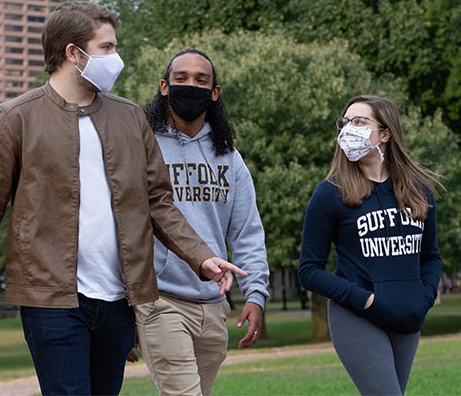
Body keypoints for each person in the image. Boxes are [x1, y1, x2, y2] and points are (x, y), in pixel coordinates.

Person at [0, 2, 245, 396]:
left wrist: (201, 256)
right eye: (106, 48)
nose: (115, 58)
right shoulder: (15, 118)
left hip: (120, 299)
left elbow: (158, 202)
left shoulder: (129, 118)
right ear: (73, 53)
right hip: (51, 300)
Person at [133, 48, 271, 396]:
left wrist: (255, 294)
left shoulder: (229, 157)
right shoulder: (142, 145)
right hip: (159, 299)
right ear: (164, 86)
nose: (190, 85)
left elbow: (246, 232)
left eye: (201, 80)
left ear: (215, 92)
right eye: (181, 79)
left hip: (213, 302)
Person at [298, 95, 442, 396]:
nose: (349, 129)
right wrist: (364, 300)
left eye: (360, 122)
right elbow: (309, 271)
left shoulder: (418, 191)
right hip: (357, 315)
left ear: (385, 133)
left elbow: (430, 256)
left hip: (407, 315)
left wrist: (424, 297)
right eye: (345, 122)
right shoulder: (330, 193)